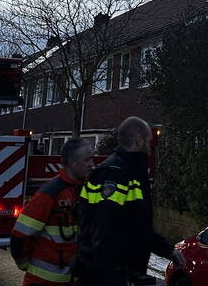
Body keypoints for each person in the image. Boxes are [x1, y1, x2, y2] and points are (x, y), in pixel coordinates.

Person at [77, 117, 184, 285]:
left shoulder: (129, 171)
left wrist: (167, 250)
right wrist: (118, 278)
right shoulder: (118, 174)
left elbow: (137, 226)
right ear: (138, 140)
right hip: (108, 276)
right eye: (148, 141)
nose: (150, 147)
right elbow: (104, 234)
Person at [11, 138, 95, 285]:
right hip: (42, 281)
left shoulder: (84, 191)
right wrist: (25, 265)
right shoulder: (50, 193)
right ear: (72, 162)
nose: (92, 164)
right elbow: (20, 235)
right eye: (87, 160)